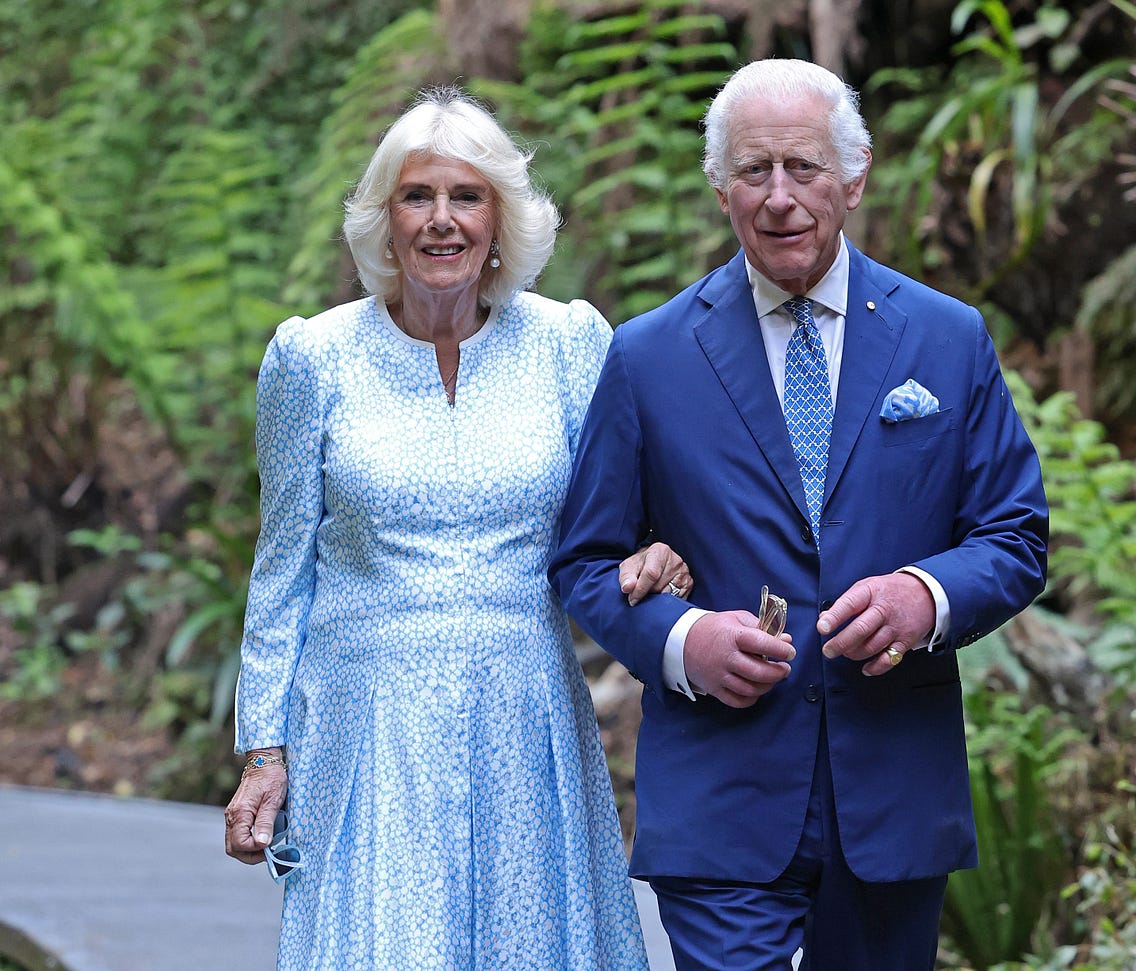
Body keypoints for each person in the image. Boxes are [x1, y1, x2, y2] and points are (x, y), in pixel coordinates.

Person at [550, 59, 1049, 971]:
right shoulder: (648, 356)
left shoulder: (947, 337)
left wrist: (924, 595)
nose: (779, 197)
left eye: (804, 167)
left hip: (893, 787)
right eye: (754, 170)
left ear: (852, 179)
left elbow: (1014, 535)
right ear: (721, 189)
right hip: (720, 792)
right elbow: (585, 560)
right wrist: (683, 641)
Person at [222, 86, 692, 970]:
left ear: (501, 219)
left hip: (525, 717)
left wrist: (660, 553)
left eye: (466, 196)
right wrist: (263, 751)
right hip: (367, 727)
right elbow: (282, 570)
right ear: (384, 219)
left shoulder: (569, 344)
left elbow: (626, 520)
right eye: (417, 196)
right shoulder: (312, 358)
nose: (442, 219)